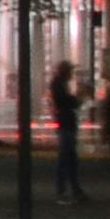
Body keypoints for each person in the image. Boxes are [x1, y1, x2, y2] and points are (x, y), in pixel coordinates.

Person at [49, 61, 86, 203]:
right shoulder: (58, 85)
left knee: (70, 160)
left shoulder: (60, 84)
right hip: (66, 125)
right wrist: (77, 98)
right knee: (65, 160)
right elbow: (66, 102)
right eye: (70, 71)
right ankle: (63, 192)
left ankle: (75, 191)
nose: (72, 74)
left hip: (67, 125)